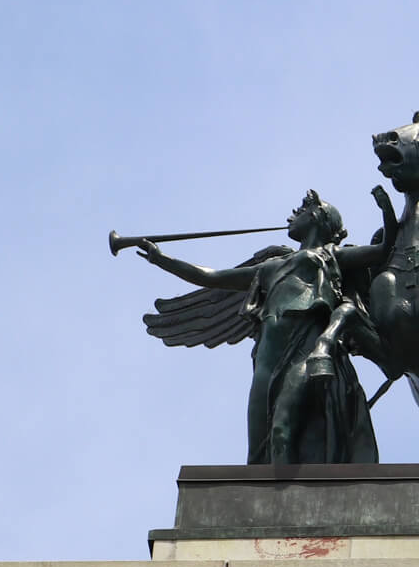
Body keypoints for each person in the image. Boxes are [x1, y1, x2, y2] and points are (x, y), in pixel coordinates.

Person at [133, 190, 382, 464]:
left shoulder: (332, 256)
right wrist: (161, 259)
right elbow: (212, 277)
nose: (292, 215)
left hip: (305, 349)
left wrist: (387, 211)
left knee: (280, 431)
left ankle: (289, 500)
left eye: (300, 210)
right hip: (266, 356)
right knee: (258, 450)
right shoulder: (269, 267)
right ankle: (264, 501)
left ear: (317, 218)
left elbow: (384, 249)